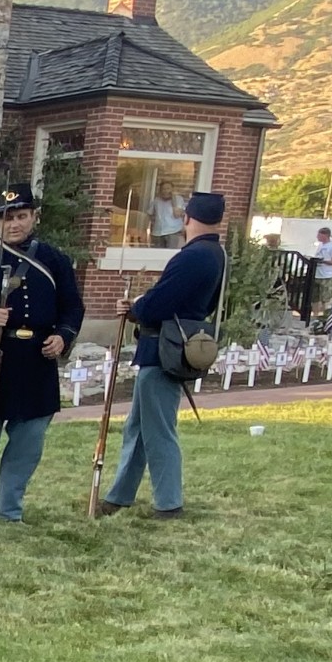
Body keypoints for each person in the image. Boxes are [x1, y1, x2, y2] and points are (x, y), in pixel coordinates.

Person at [0, 184, 84, 524]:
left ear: (34, 217)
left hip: (35, 362)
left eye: (21, 216)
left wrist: (63, 337)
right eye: (7, 218)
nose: (14, 224)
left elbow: (72, 307)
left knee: (28, 443)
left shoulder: (54, 260)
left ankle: (9, 509)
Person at [96, 191, 228, 520]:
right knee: (138, 428)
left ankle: (169, 503)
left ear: (187, 218)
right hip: (170, 345)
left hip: (163, 349)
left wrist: (136, 307)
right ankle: (119, 495)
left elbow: (160, 303)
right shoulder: (215, 253)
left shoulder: (194, 256)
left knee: (158, 430)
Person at [311, 226, 332, 314]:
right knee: (314, 297)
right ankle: (315, 314)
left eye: (319, 235)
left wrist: (323, 261)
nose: (317, 237)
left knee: (325, 297)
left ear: (325, 235)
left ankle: (324, 315)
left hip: (326, 275)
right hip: (316, 274)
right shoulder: (320, 245)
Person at [149, 182, 186, 248]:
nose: (165, 191)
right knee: (156, 254)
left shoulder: (178, 199)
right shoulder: (156, 200)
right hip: (158, 232)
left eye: (168, 189)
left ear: (172, 190)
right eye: (163, 189)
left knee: (169, 254)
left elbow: (177, 214)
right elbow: (150, 214)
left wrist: (173, 200)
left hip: (172, 232)